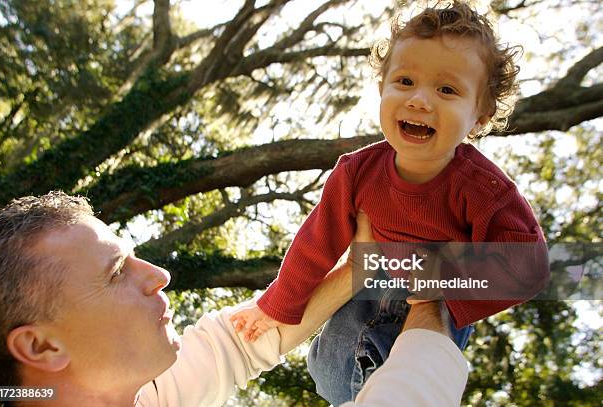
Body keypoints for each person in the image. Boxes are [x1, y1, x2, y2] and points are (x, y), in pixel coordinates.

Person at [230, 1, 550, 405]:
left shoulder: (485, 189)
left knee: (399, 379)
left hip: (438, 297)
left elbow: (529, 265)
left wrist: (444, 279)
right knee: (328, 370)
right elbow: (315, 245)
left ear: (480, 117)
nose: (419, 99)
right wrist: (274, 306)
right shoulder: (356, 171)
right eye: (404, 81)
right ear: (382, 88)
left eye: (447, 89)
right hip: (371, 282)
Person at [0, 192, 468, 406]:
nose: (160, 275)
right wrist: (432, 301)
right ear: (40, 348)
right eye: (116, 272)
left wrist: (363, 264)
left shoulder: (148, 394)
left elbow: (240, 342)